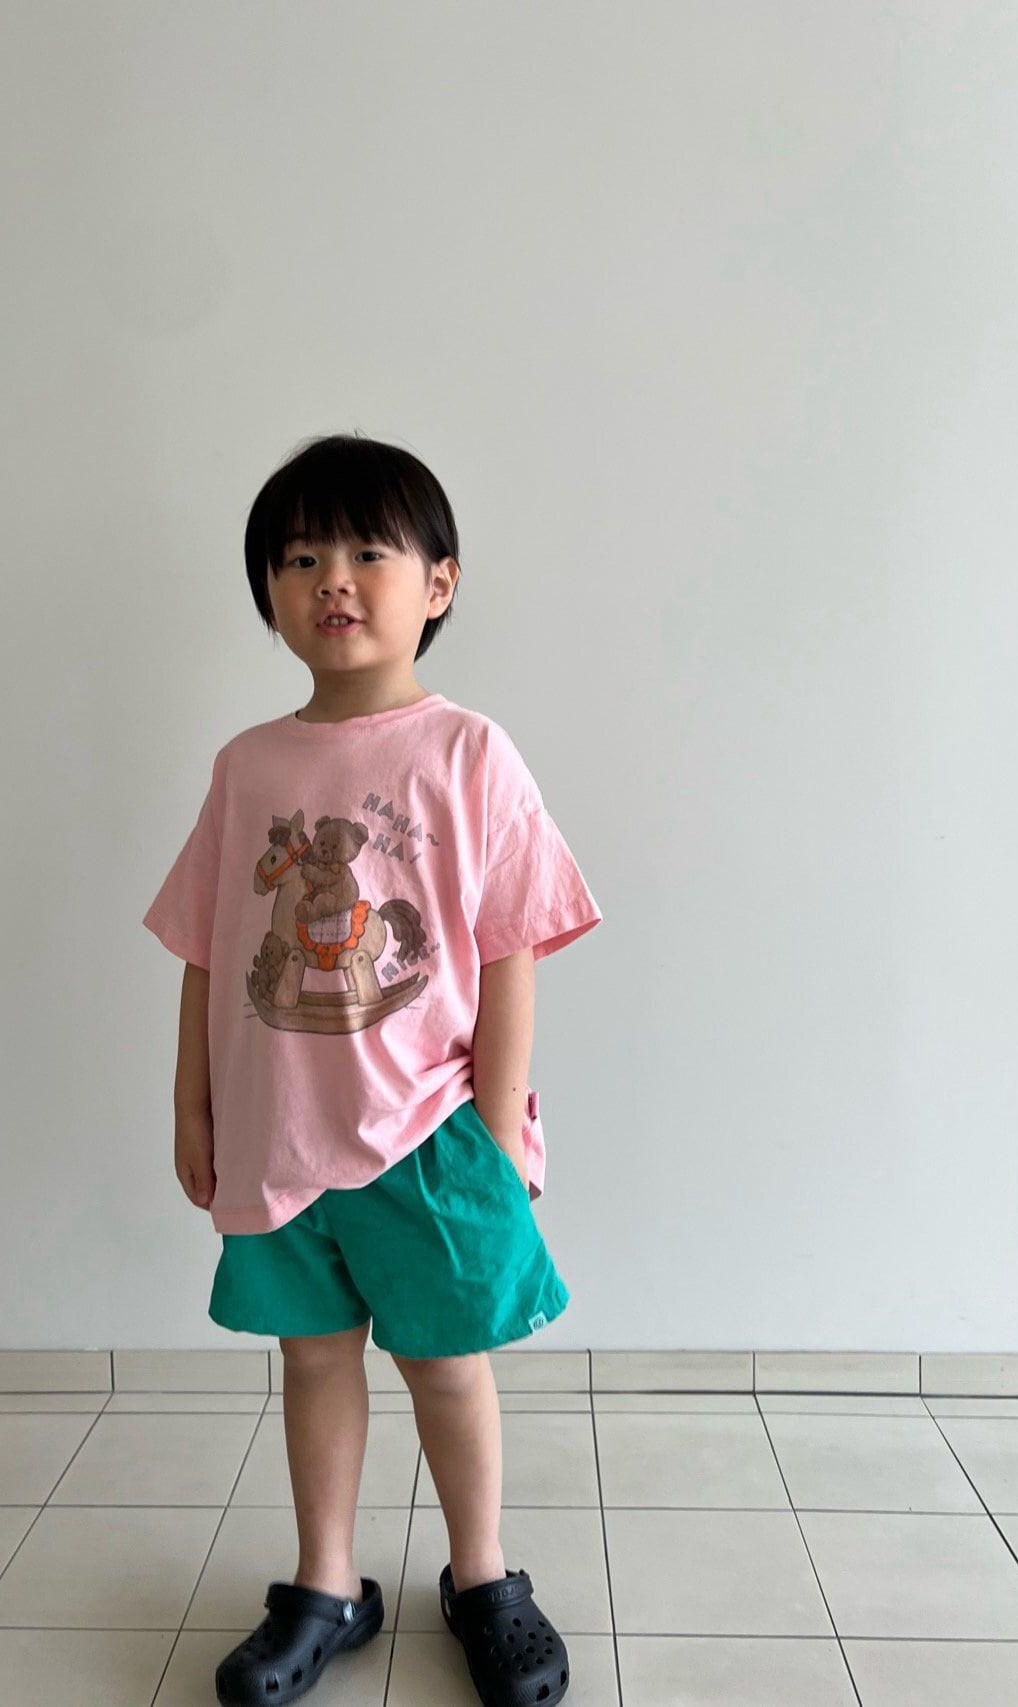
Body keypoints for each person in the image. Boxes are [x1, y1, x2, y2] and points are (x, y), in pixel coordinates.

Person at [142, 431, 602, 1707]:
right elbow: (206, 951)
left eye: (364, 552)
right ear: (268, 592)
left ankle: (482, 1578)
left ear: (437, 583)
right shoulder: (247, 767)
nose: (330, 579)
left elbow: (509, 946)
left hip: (428, 1130)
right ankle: (326, 1587)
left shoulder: (468, 753)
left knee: (447, 1365)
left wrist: (495, 1127)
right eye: (298, 558)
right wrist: (191, 1104)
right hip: (278, 1134)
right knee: (311, 1360)